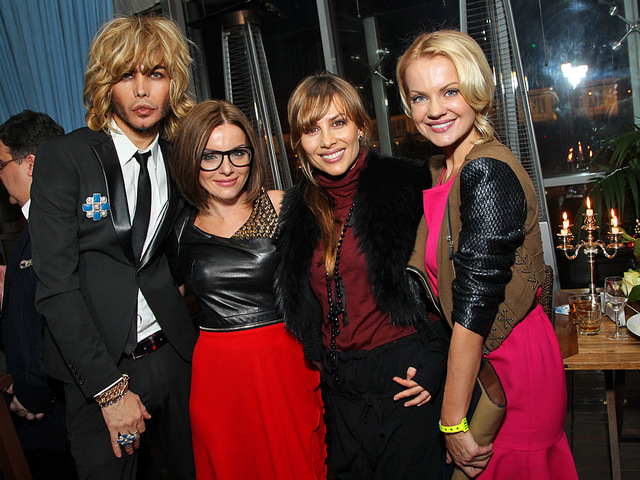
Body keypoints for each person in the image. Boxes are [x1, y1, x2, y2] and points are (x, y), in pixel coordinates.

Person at [396, 30, 578, 479]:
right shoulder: (445, 169)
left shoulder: (486, 170)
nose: (434, 110)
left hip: (513, 360)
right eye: (419, 97)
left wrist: (452, 421)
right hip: (479, 361)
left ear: (476, 89)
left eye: (450, 91)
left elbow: (474, 308)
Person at [28, 16, 197, 479]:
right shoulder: (66, 158)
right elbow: (55, 287)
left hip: (177, 354)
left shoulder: (180, 154)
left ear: (173, 83)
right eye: (127, 75)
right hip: (101, 370)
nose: (142, 90)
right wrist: (109, 390)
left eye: (156, 74)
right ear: (107, 83)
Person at [274, 72, 449, 480]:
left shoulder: (409, 185)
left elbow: (448, 277)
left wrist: (436, 357)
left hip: (405, 374)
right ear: (299, 142)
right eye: (312, 129)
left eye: (338, 122)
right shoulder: (297, 210)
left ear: (359, 126)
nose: (327, 140)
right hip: (340, 388)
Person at [169, 99, 327, 479]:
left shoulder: (282, 207)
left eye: (237, 153)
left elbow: (330, 283)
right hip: (217, 376)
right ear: (191, 160)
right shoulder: (180, 229)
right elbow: (163, 301)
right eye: (210, 156)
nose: (226, 168)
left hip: (283, 365)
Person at [0, 110, 78, 478]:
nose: (0, 176)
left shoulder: (55, 226)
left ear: (30, 164)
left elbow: (59, 323)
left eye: (2, 165)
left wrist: (32, 392)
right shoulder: (34, 228)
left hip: (60, 421)